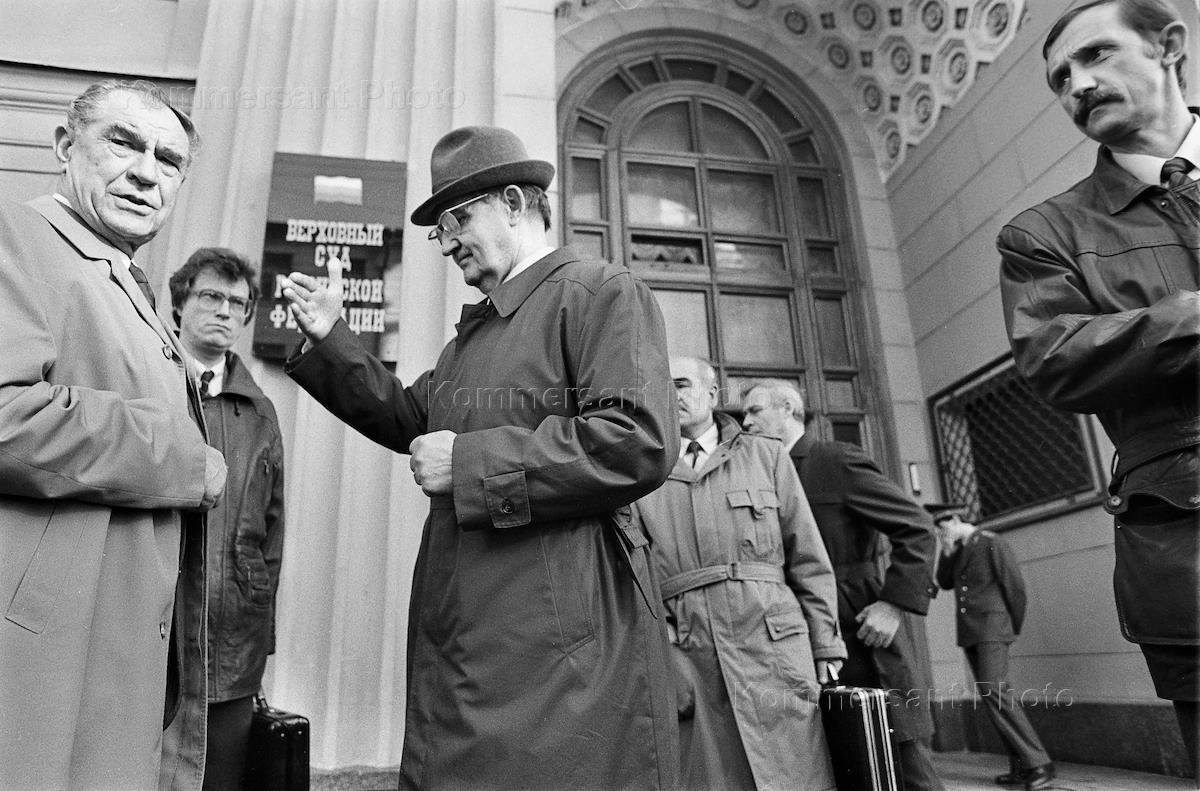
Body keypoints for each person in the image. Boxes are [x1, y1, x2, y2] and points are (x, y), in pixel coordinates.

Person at [279, 125, 680, 790]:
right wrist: (332, 338)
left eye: (456, 220)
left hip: (555, 655)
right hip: (473, 633)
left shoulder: (599, 291)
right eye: (438, 230)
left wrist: (468, 464)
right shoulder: (474, 337)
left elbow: (637, 438)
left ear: (515, 203)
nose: (446, 243)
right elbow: (409, 419)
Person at [0, 80, 225, 791]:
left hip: (106, 650)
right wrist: (182, 458)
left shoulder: (119, 273)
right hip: (37, 664)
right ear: (65, 147)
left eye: (169, 160)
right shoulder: (16, 236)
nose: (147, 172)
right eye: (123, 143)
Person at [998, 0, 1199, 776]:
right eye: (1060, 79)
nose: (1076, 85)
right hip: (1186, 534)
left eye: (1096, 56)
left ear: (1169, 45)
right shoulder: (1044, 233)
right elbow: (1053, 355)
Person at [633, 357, 844, 790]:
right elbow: (635, 574)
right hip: (691, 646)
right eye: (661, 385)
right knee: (714, 775)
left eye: (682, 384)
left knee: (795, 768)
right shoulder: (643, 474)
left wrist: (825, 643)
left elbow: (807, 556)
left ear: (712, 394)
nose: (671, 394)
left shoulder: (766, 455)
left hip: (772, 641)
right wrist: (663, 641)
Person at [742, 379, 945, 791]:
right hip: (797, 630)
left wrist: (892, 605)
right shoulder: (761, 472)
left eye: (754, 411)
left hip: (858, 627)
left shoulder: (834, 461)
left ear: (788, 409)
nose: (745, 422)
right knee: (838, 757)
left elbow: (918, 528)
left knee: (898, 754)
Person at [168, 248, 285, 791]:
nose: (224, 310)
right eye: (211, 296)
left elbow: (272, 534)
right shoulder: (148, 382)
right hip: (157, 626)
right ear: (179, 304)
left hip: (232, 638)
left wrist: (260, 633)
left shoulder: (259, 413)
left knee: (221, 780)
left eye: (237, 303)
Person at [929, 503, 1054, 790]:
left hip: (992, 628)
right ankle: (1021, 766)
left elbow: (1015, 587)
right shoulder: (957, 549)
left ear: (955, 519)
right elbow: (944, 582)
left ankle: (1039, 763)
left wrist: (1009, 627)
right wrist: (945, 551)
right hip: (972, 631)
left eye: (942, 529)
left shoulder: (990, 542)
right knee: (991, 695)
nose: (940, 534)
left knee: (995, 691)